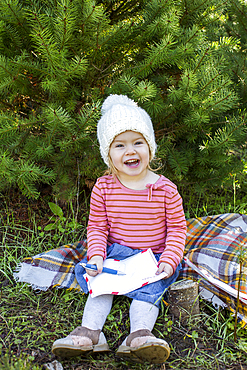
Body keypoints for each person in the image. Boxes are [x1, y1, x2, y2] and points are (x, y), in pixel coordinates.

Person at [52, 94, 187, 363]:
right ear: (108, 154)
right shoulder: (104, 188)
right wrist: (98, 256)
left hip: (153, 256)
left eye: (138, 143)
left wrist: (170, 260)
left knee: (149, 291)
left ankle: (139, 336)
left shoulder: (165, 189)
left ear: (150, 147)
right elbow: (98, 228)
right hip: (115, 255)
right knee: (100, 285)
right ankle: (90, 333)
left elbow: (177, 230)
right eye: (119, 145)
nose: (130, 151)